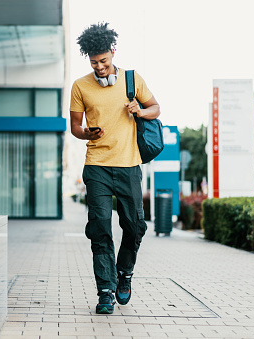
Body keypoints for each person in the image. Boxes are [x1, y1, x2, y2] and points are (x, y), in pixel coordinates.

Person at [69, 22, 160, 314]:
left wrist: (140, 110)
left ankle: (125, 273)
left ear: (113, 52)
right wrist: (87, 134)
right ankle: (105, 290)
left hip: (129, 165)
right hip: (96, 165)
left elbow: (155, 108)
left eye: (104, 61)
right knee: (100, 227)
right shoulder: (80, 86)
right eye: (94, 63)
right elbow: (75, 126)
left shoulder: (133, 80)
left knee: (134, 226)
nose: (99, 68)